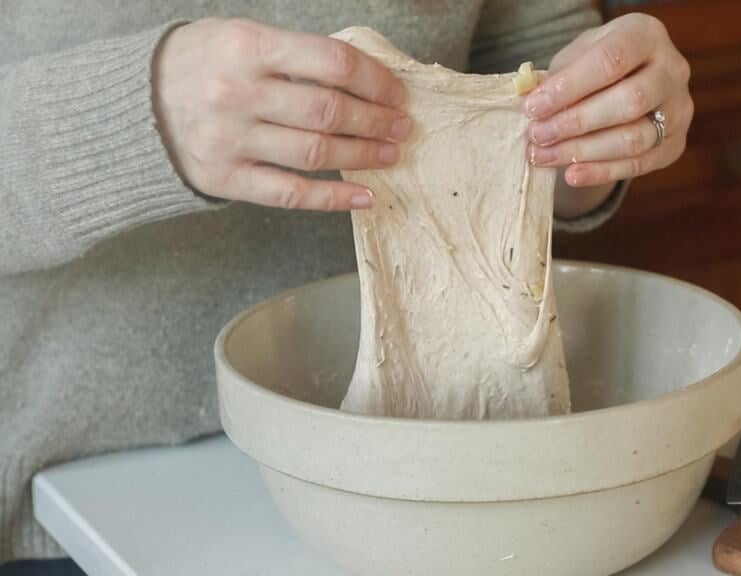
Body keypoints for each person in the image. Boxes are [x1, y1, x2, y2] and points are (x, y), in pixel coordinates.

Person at [0, 0, 693, 571]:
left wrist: (604, 118)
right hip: (64, 511)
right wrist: (128, 116)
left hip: (433, 476)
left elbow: (524, 76)